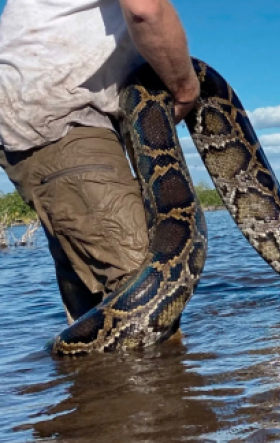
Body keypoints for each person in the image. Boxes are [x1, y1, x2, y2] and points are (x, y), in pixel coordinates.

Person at [0, 0, 199, 323]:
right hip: (64, 117)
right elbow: (145, 10)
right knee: (148, 292)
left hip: (49, 113)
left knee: (94, 312)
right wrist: (186, 90)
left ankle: (88, 375)